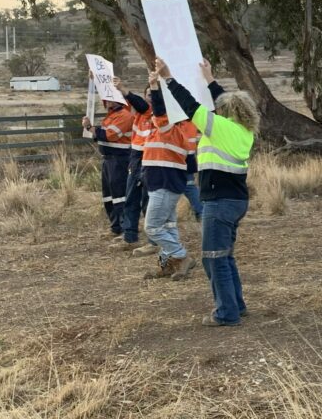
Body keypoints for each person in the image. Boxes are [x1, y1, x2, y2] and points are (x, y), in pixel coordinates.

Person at [156, 57, 257, 327]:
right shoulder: (243, 130)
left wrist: (168, 78)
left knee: (213, 259)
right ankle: (237, 305)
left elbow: (190, 106)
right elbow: (225, 99)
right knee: (225, 255)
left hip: (219, 203)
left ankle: (226, 313)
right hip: (236, 201)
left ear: (226, 111)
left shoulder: (218, 126)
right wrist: (210, 80)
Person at [140, 70, 201, 280]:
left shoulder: (169, 128)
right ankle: (169, 264)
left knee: (152, 227)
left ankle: (180, 256)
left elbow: (158, 110)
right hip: (162, 184)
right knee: (168, 225)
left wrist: (155, 86)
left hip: (164, 185)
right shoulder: (171, 131)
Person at [82, 95, 134, 238]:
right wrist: (92, 130)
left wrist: (89, 127)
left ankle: (126, 230)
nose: (108, 101)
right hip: (108, 160)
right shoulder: (110, 116)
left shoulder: (125, 115)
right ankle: (115, 227)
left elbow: (110, 135)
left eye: (111, 98)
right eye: (107, 99)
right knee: (109, 196)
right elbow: (100, 135)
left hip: (120, 160)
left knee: (120, 196)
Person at [110, 78, 152, 251]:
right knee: (131, 198)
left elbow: (140, 103)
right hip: (135, 157)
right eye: (147, 94)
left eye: (153, 94)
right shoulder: (136, 113)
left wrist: (124, 89)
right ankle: (130, 236)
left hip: (150, 158)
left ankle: (153, 240)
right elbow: (122, 103)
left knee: (148, 202)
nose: (150, 97)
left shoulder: (151, 110)